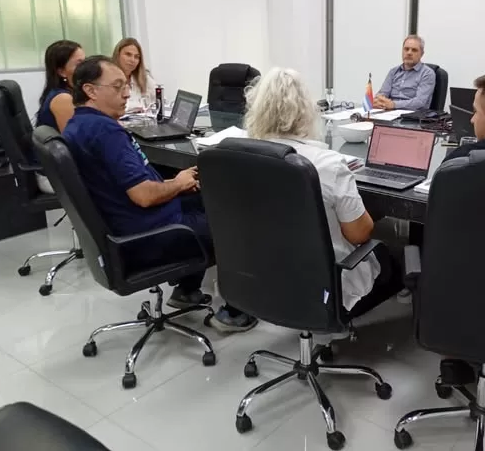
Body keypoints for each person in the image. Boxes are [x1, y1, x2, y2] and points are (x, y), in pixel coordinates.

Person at [63, 55, 256, 332]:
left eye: (126, 86)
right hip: (149, 233)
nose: (126, 93)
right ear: (90, 91)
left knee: (210, 199)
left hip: (127, 224)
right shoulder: (105, 132)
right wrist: (177, 183)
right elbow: (143, 196)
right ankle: (236, 312)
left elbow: (128, 185)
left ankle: (186, 290)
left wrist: (178, 182)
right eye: (117, 87)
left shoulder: (78, 125)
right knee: (237, 223)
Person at [244, 67, 403, 315]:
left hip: (267, 271)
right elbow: (359, 234)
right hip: (326, 284)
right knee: (397, 256)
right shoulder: (329, 165)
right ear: (306, 110)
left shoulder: (243, 155)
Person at [35, 40, 85, 194]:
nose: (86, 68)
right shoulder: (63, 99)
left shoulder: (68, 93)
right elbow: (76, 145)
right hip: (55, 176)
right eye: (79, 64)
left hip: (60, 168)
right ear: (62, 72)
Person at [375, 35, 436, 111]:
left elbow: (420, 102)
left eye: (414, 50)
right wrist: (378, 101)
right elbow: (383, 93)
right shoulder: (393, 71)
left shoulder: (427, 74)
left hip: (412, 115)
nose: (409, 53)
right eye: (406, 49)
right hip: (389, 112)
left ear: (422, 54)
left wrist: (394, 105)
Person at [112, 37, 157, 113]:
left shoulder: (144, 77)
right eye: (128, 54)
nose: (132, 60)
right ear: (118, 55)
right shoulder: (107, 79)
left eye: (136, 57)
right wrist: (139, 107)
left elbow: (160, 101)